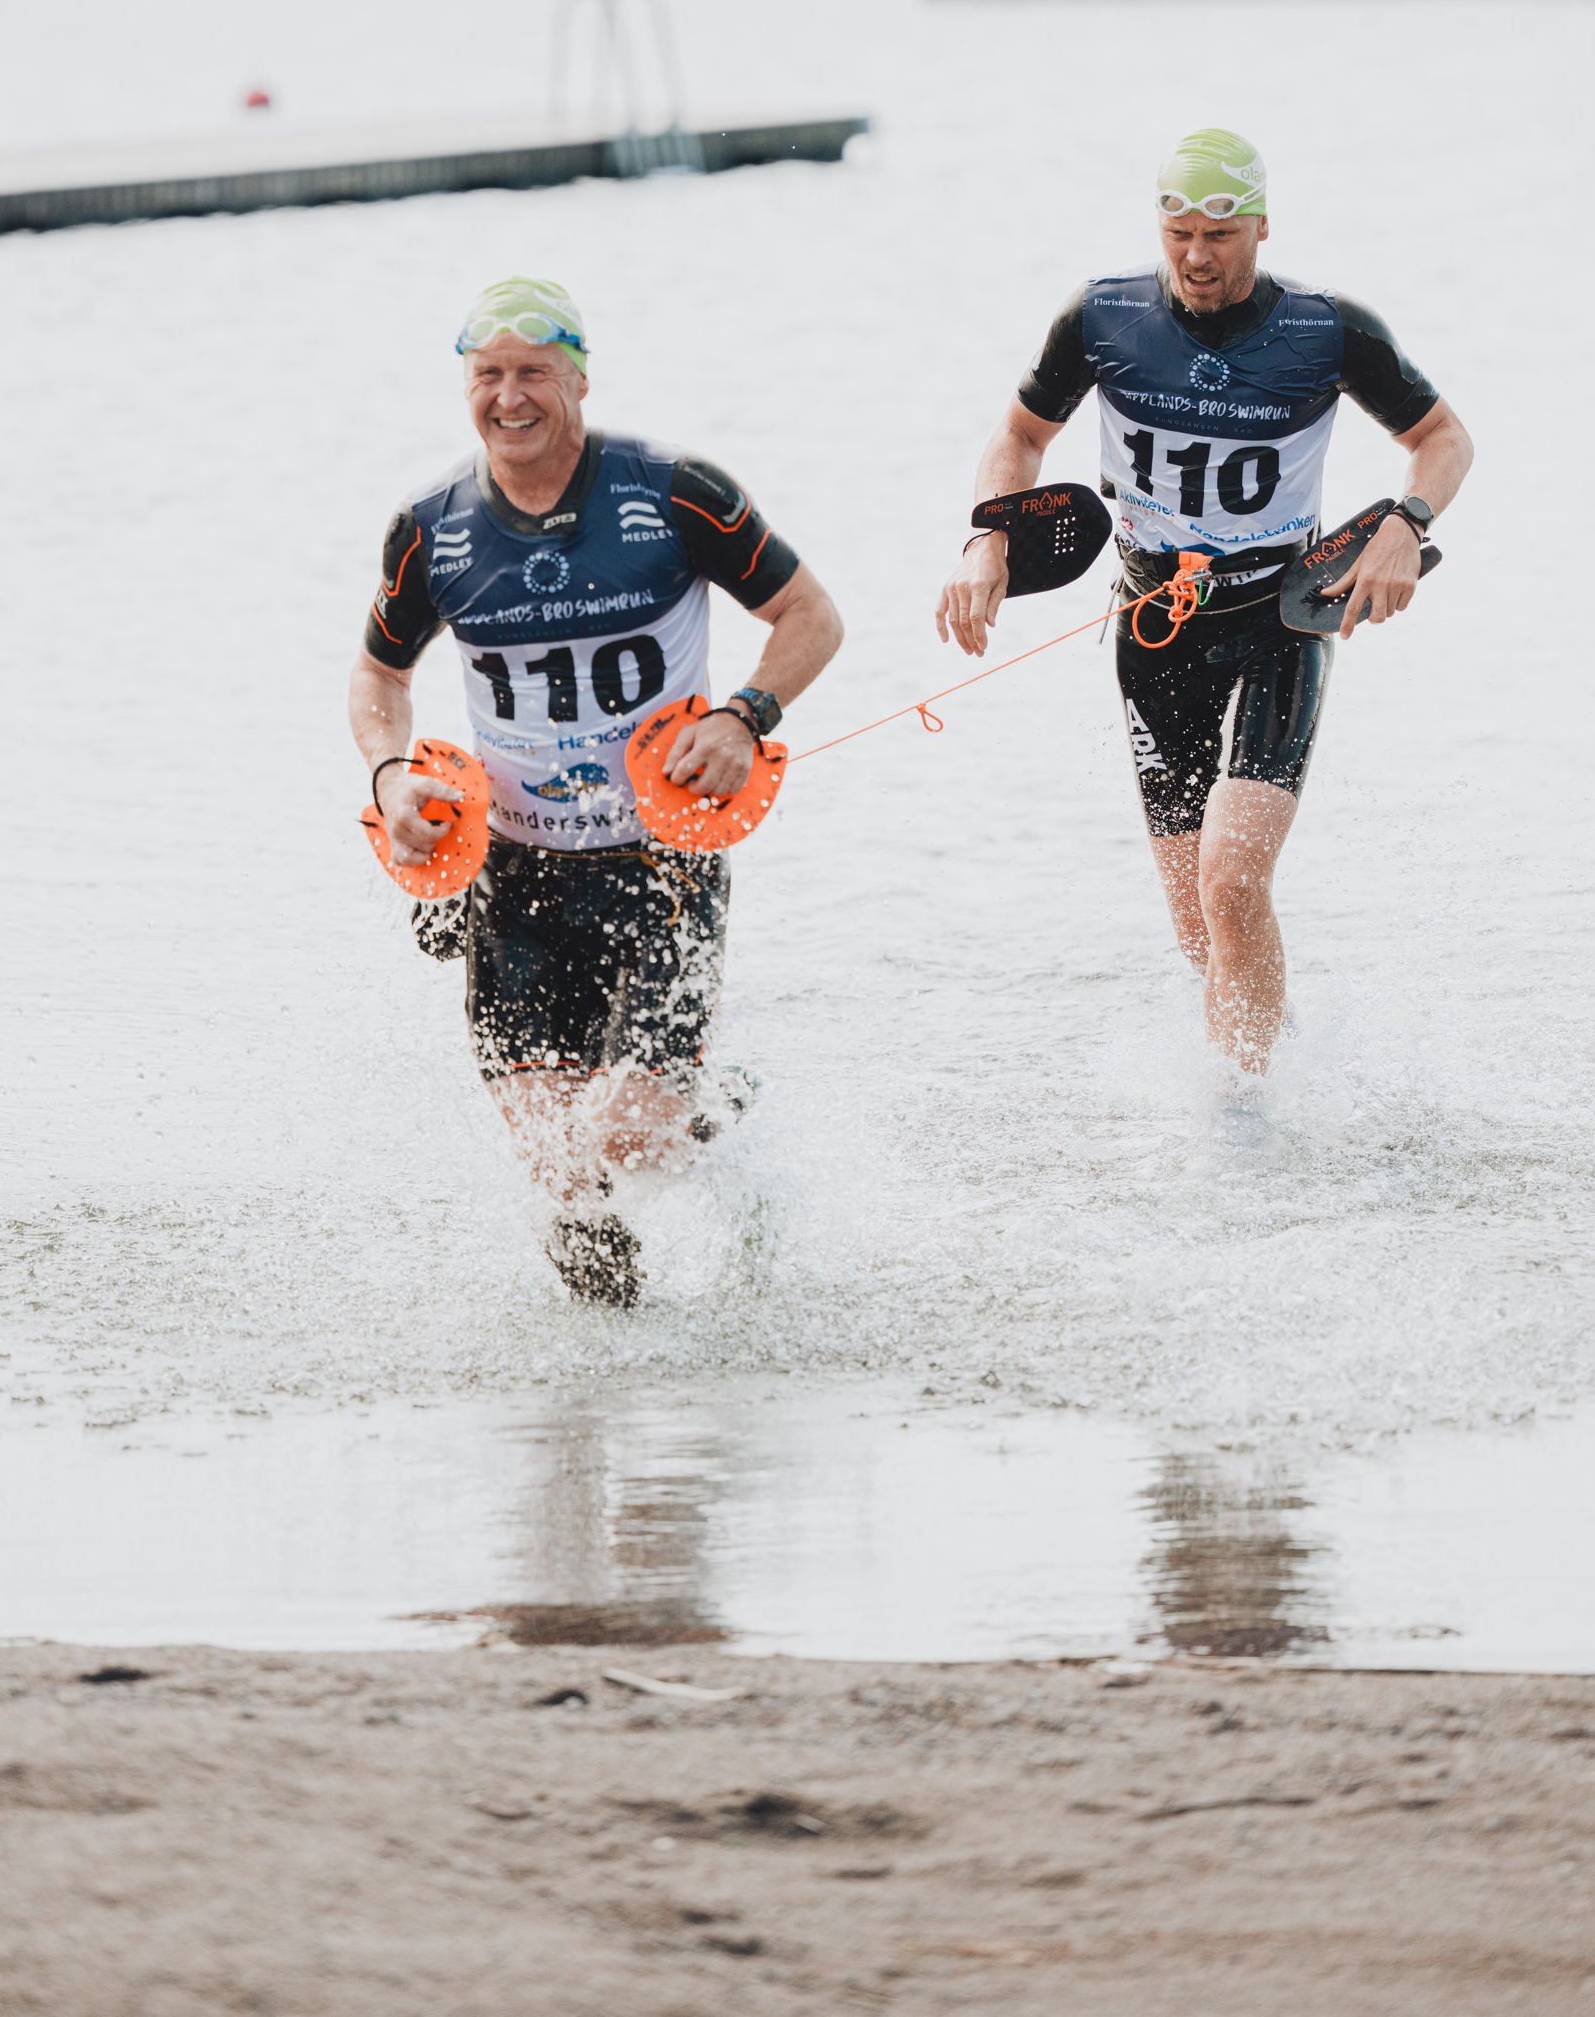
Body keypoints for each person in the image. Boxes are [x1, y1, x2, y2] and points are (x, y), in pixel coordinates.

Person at [935, 129, 1472, 1077]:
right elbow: (1019, 437)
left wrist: (1406, 521)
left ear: (1261, 227)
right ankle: (1275, 1060)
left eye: (1219, 235)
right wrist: (988, 538)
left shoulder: (1326, 330)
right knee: (1198, 929)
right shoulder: (1104, 317)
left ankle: (1245, 1113)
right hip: (1153, 629)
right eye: (1178, 233)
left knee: (1232, 883)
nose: (1196, 256)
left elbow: (1443, 440)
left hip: (1280, 620)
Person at [350, 276, 843, 1307]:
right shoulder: (432, 527)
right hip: (515, 878)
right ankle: (617, 1358)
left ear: (579, 378)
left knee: (623, 1134)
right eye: (487, 376)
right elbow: (379, 677)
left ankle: (703, 1104)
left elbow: (810, 615)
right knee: (557, 1170)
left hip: (659, 862)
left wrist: (743, 716)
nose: (509, 397)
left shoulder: (673, 491)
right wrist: (390, 776)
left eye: (534, 372)